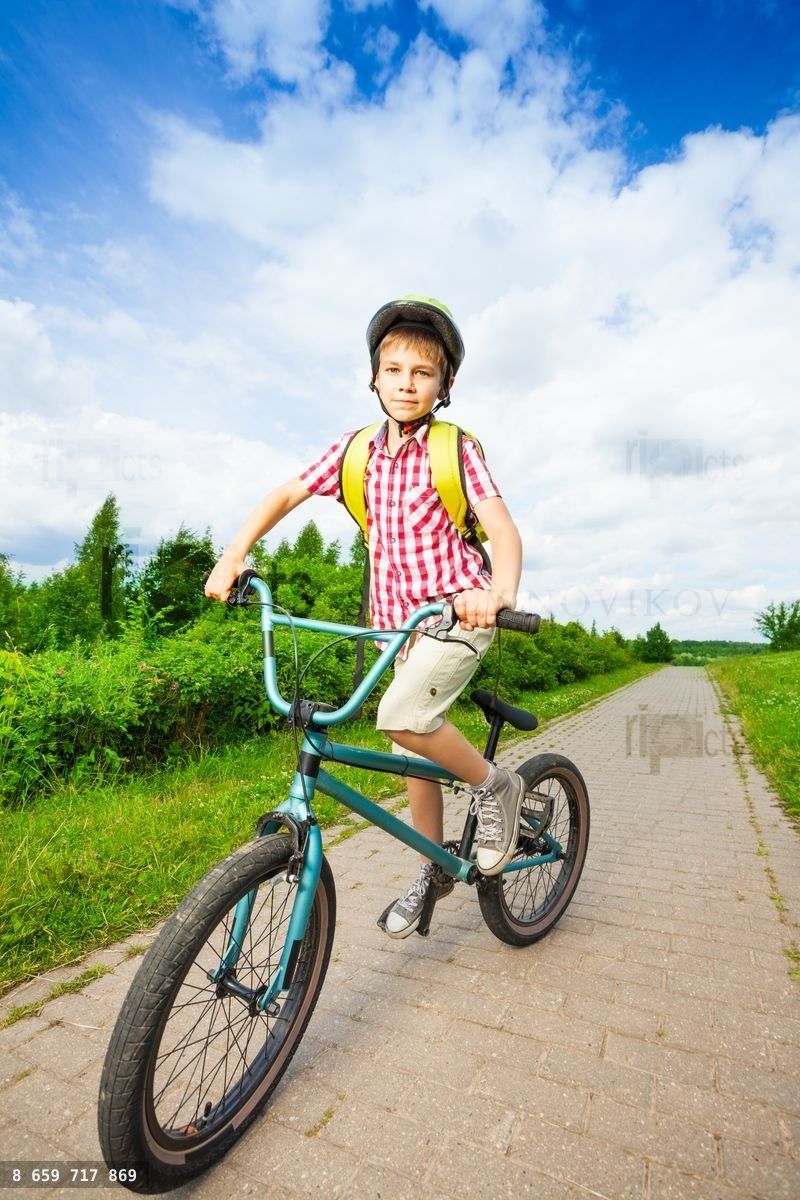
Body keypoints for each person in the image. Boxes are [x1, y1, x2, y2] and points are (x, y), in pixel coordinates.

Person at [204, 295, 525, 938]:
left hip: (458, 614)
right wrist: (235, 554)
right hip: (398, 628)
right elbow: (289, 491)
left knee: (402, 718)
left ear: (446, 385)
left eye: (423, 373)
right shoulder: (358, 452)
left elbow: (502, 529)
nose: (407, 384)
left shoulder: (453, 448)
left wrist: (500, 591)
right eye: (394, 369)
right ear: (374, 377)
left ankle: (496, 788)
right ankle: (434, 866)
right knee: (412, 744)